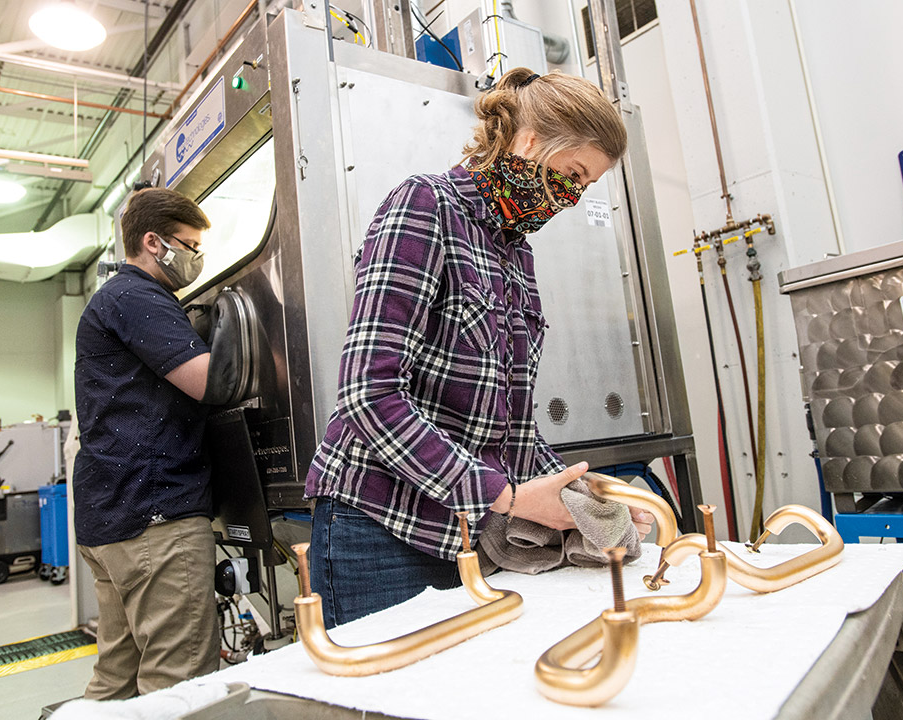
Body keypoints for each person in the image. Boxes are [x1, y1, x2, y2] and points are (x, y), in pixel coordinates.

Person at [305, 68, 656, 628]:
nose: (572, 199)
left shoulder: (516, 253)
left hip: (461, 529)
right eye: (573, 175)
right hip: (377, 527)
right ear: (530, 140)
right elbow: (369, 394)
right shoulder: (424, 207)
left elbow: (510, 425)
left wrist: (585, 501)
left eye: (586, 188)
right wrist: (506, 497)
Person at [73, 188, 223, 699]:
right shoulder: (137, 296)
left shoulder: (113, 299)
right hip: (155, 518)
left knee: (117, 680)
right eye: (190, 245)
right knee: (177, 689)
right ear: (153, 242)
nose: (197, 259)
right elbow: (208, 381)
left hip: (112, 516)